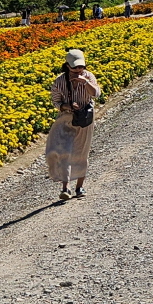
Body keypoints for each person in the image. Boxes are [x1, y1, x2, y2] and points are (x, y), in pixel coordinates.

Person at [46, 49, 98, 203]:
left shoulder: (88, 76)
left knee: (81, 152)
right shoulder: (60, 81)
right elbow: (56, 102)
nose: (78, 70)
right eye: (74, 67)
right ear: (67, 66)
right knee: (63, 151)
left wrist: (85, 82)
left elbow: (96, 93)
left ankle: (79, 187)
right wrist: (67, 105)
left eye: (80, 67)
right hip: (66, 118)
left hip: (85, 119)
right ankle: (65, 187)